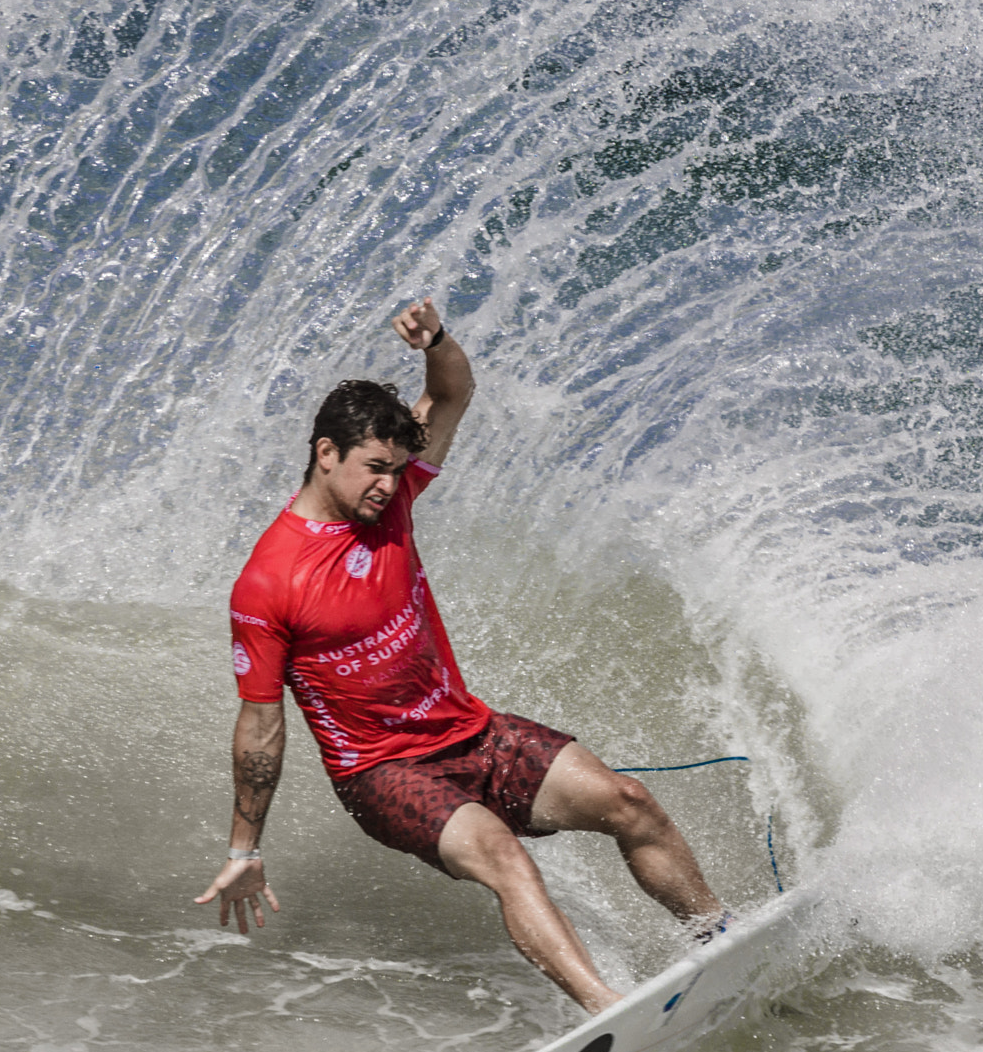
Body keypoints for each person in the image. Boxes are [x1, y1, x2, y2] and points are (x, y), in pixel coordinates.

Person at [193, 297, 724, 1013]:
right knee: (506, 855)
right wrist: (243, 850)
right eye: (374, 467)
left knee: (628, 802)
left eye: (397, 467)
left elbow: (450, 392)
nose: (389, 482)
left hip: (470, 731)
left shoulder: (395, 497)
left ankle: (718, 943)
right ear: (326, 454)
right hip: (382, 772)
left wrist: (436, 340)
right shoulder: (268, 583)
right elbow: (260, 728)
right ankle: (606, 1011)